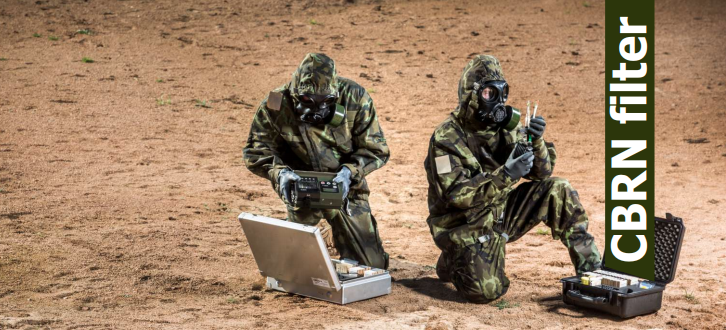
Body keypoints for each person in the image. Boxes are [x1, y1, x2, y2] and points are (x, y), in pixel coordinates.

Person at [424, 54, 601, 303]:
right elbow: (456, 197)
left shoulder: (506, 128)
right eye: (489, 93)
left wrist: (536, 142)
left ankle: (593, 271)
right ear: (471, 95)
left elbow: (541, 173)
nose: (498, 101)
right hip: (462, 222)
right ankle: (455, 257)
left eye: (502, 92)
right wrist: (506, 174)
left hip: (499, 212)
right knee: (486, 292)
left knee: (558, 189)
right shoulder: (446, 138)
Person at [243, 53, 390, 269]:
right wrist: (280, 173)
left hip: (345, 188)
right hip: (301, 187)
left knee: (373, 266)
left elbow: (376, 149)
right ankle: (299, 225)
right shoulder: (276, 103)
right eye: (306, 101)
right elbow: (256, 150)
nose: (317, 108)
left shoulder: (355, 97)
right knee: (292, 268)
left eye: (326, 102)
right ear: (295, 93)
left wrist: (349, 173)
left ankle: (333, 232)